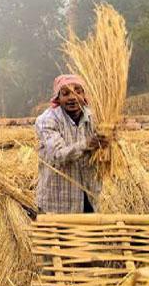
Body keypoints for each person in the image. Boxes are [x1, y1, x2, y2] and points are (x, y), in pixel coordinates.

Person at [35, 74, 109, 214]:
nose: (72, 97)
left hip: (88, 199)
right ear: (58, 98)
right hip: (57, 203)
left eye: (77, 91)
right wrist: (87, 144)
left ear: (84, 94)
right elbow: (58, 155)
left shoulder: (96, 118)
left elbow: (104, 158)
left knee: (89, 235)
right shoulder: (47, 120)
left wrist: (109, 144)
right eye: (65, 93)